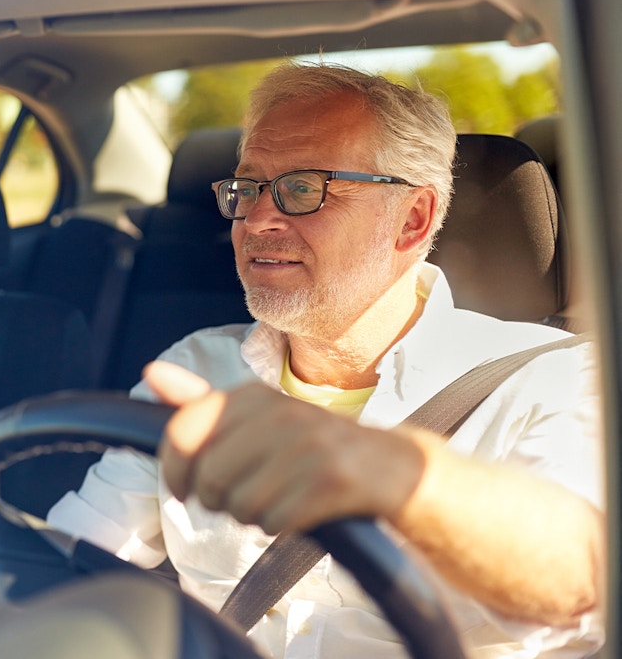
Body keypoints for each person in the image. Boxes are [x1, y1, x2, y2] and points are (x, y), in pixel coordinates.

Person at [46, 63, 603, 657]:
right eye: (248, 188)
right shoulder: (196, 369)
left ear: (411, 220)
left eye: (304, 188)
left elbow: (580, 578)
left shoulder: (556, 379)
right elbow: (70, 571)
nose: (258, 220)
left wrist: (392, 473)